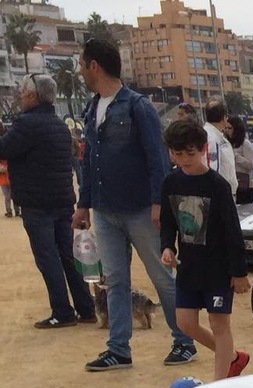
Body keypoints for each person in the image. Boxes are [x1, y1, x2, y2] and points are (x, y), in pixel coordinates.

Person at [74, 36, 196, 371]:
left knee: (160, 276)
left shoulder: (137, 107)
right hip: (105, 209)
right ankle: (118, 349)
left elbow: (157, 158)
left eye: (82, 64)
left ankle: (184, 340)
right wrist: (83, 203)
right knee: (115, 280)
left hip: (141, 208)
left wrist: (158, 202)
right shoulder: (92, 107)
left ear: (94, 65)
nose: (81, 70)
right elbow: (88, 161)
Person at [0, 73, 96, 328]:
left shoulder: (27, 124)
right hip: (62, 199)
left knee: (48, 258)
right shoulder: (56, 123)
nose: (20, 96)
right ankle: (86, 308)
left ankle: (62, 312)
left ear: (32, 95)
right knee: (66, 255)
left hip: (37, 203)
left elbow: (4, 149)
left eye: (22, 92)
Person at [158, 117, 249, 380]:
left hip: (218, 269)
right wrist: (167, 247)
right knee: (185, 322)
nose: (184, 159)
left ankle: (220, 383)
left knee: (219, 325)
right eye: (177, 154)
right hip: (189, 266)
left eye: (190, 153)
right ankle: (232, 357)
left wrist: (238, 271)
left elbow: (233, 230)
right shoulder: (170, 183)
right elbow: (167, 222)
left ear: (202, 150)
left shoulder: (218, 186)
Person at [203, 101, 236, 189]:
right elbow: (213, 168)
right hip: (219, 192)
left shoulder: (215, 135)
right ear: (224, 117)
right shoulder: (212, 138)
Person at [228, 115, 253, 203]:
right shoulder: (229, 144)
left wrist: (236, 156)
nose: (228, 131)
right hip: (234, 183)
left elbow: (250, 165)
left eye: (230, 128)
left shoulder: (245, 144)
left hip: (246, 185)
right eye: (226, 128)